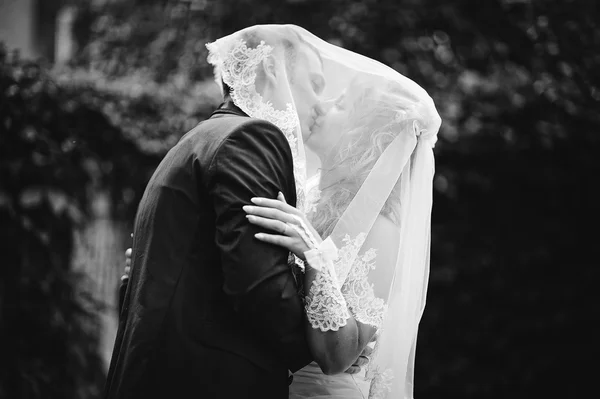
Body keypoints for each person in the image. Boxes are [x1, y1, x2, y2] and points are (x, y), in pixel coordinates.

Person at [119, 26, 441, 399]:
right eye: (323, 92)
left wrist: (316, 258)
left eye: (341, 104)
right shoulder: (298, 198)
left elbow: (338, 356)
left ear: (366, 133)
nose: (322, 105)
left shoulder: (383, 229)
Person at [105, 25, 328, 399]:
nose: (320, 103)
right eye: (315, 84)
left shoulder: (195, 141)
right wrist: (323, 348)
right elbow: (256, 284)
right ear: (273, 69)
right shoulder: (251, 138)